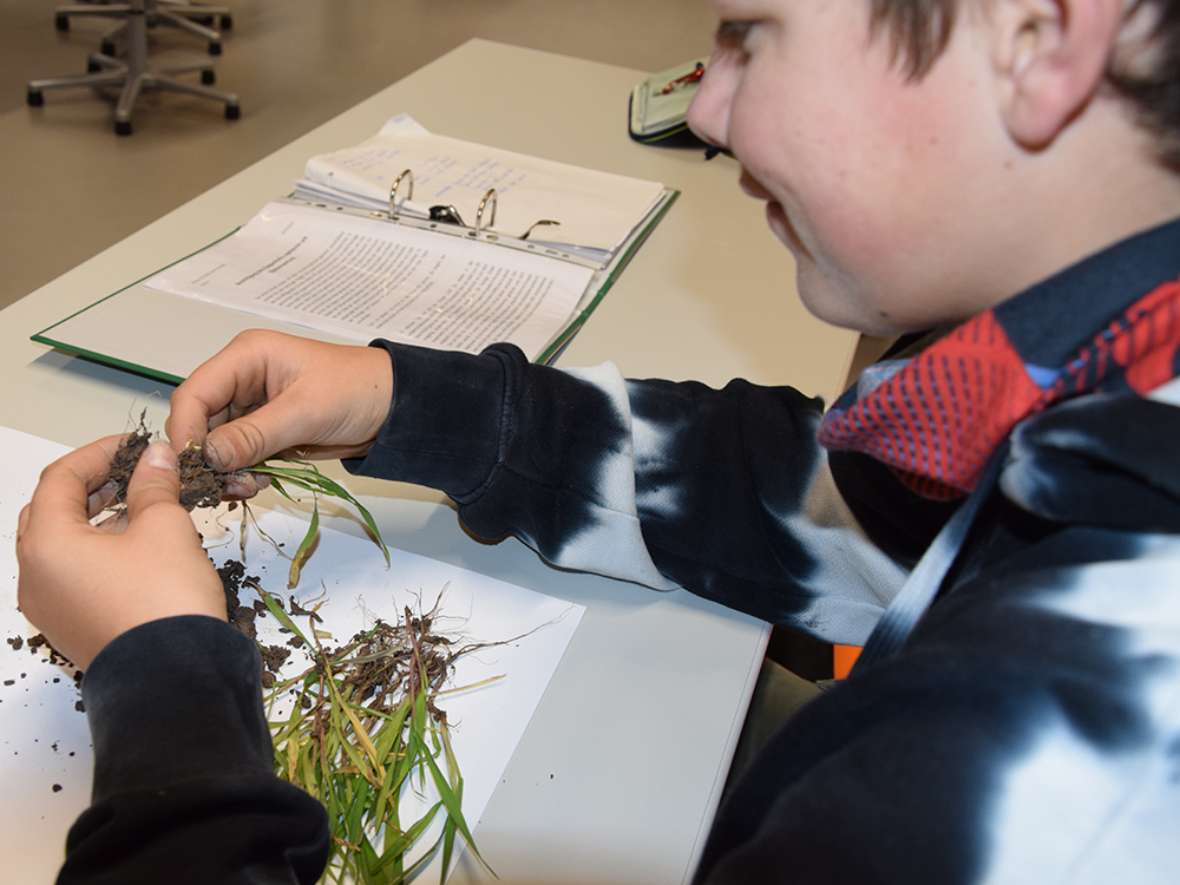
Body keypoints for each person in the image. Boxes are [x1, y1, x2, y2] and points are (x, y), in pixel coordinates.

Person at [15, 0, 1180, 881]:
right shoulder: (1094, 385)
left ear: (1037, 34)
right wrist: (410, 403)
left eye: (749, 36)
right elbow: (859, 509)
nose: (707, 111)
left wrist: (165, 697)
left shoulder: (1048, 772)